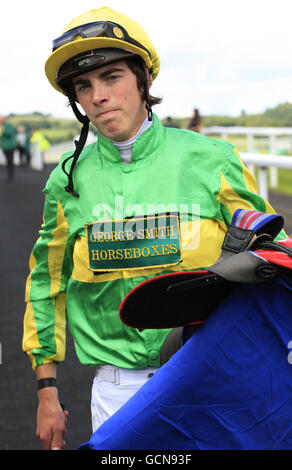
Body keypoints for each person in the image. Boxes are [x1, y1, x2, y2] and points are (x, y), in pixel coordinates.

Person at [22, 6, 284, 451]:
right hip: (116, 390)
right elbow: (47, 284)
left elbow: (269, 259)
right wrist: (47, 390)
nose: (98, 95)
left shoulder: (213, 160)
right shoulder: (65, 182)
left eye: (112, 77)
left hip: (209, 377)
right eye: (84, 86)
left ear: (144, 80)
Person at [0, 115, 17, 181]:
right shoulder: (2, 125)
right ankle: (9, 176)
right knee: (7, 162)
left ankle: (11, 176)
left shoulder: (8, 125)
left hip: (10, 146)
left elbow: (9, 133)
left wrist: (3, 131)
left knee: (10, 162)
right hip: (5, 147)